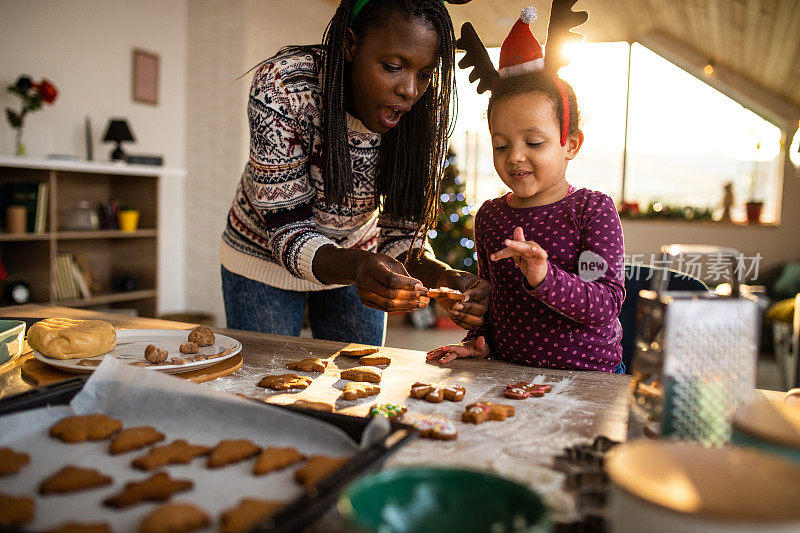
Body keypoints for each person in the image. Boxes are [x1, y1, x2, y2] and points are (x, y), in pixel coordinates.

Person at [220, 0, 489, 345]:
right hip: (262, 259)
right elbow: (288, 230)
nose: (409, 90)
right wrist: (362, 266)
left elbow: (402, 233)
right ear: (350, 44)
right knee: (264, 391)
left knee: (358, 390)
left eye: (424, 74)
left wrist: (446, 276)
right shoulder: (284, 86)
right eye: (393, 66)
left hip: (359, 257)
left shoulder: (423, 113)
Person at [427, 6, 625, 372]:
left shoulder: (592, 211)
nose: (515, 157)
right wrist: (477, 340)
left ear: (571, 144)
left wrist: (545, 277)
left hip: (588, 378)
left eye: (534, 143)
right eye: (501, 145)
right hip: (508, 373)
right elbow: (492, 299)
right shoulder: (490, 216)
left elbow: (605, 304)